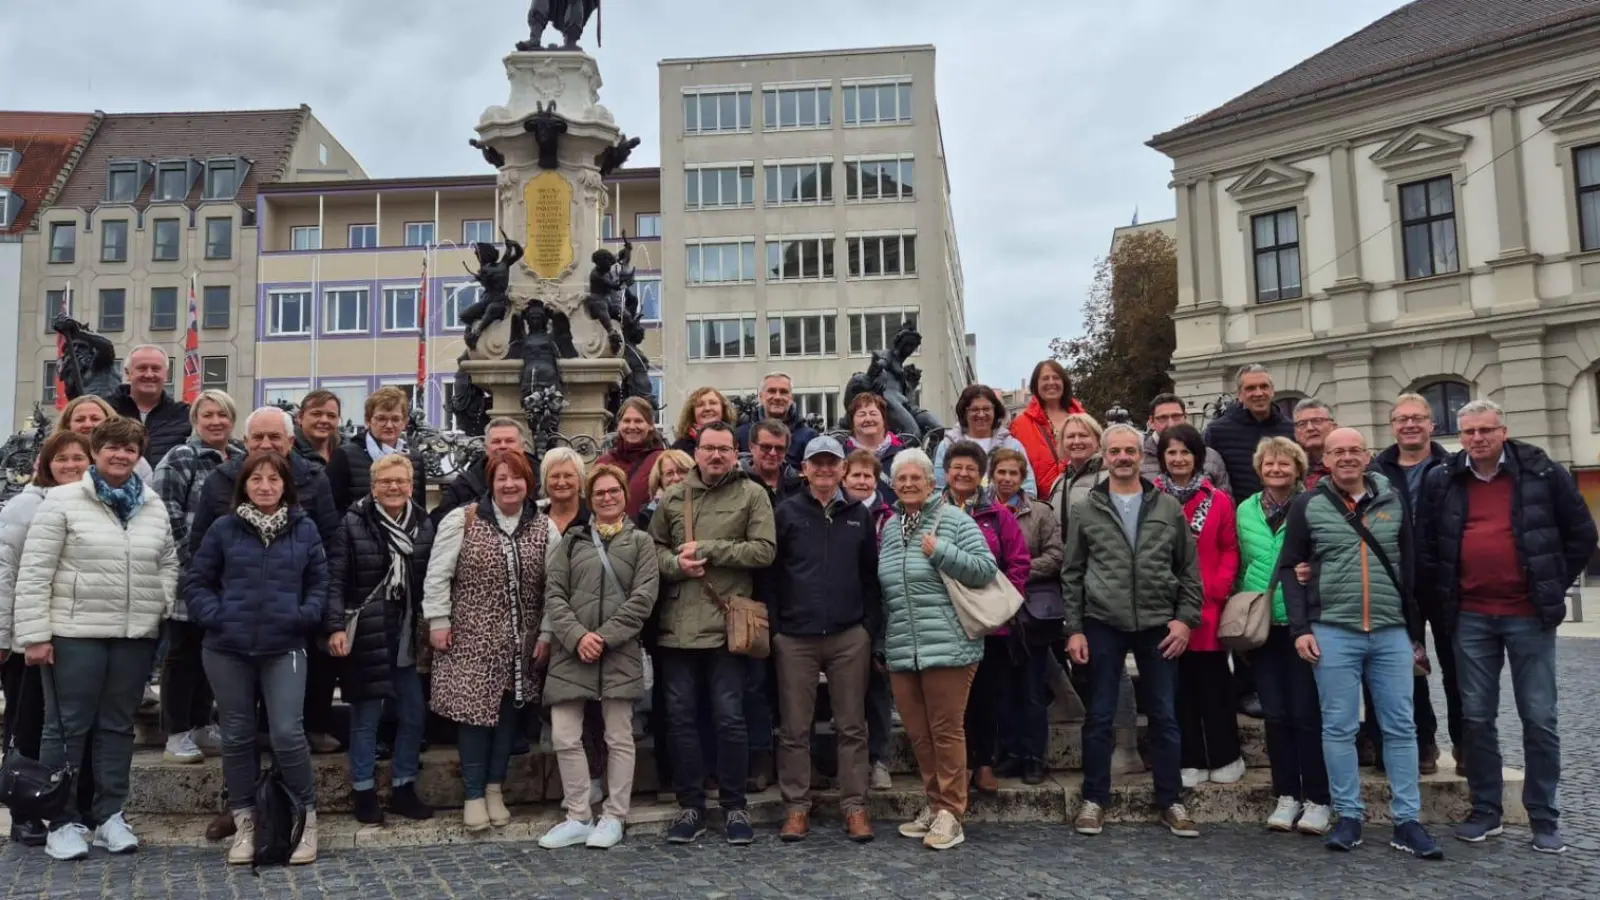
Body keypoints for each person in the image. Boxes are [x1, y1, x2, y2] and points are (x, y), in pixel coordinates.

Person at [1416, 400, 1597, 854]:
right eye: (1470, 431)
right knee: (1477, 719)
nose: (1477, 439)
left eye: (1486, 430)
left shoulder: (1541, 472)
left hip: (1528, 615)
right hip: (1471, 615)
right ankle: (1487, 810)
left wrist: (1550, 581)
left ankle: (1544, 816)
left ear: (1503, 431)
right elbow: (1430, 543)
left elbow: (1581, 534)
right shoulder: (1444, 478)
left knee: (1540, 717)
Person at [12, 418, 179, 861]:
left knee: (117, 727)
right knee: (66, 727)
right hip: (73, 633)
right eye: (112, 448)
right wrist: (34, 636)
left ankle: (109, 815)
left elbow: (168, 561)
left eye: (130, 449)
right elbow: (35, 570)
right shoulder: (63, 500)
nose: (121, 456)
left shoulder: (152, 503)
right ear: (97, 451)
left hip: (132, 634)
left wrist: (158, 602)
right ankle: (61, 820)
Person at [1276, 427, 1442, 859]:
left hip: (1389, 631)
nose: (1346, 457)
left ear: (1367, 456)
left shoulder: (1394, 500)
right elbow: (1289, 568)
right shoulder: (1308, 505)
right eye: (1338, 451)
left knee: (1401, 728)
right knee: (1339, 728)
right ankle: (1349, 815)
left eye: (1354, 450)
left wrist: (1412, 633)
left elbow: (1409, 574)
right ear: (1325, 461)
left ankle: (1408, 820)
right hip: (1333, 629)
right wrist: (1301, 629)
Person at [185, 450, 329, 866]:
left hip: (284, 646)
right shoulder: (223, 529)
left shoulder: (305, 530)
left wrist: (303, 616)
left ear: (286, 486)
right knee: (237, 736)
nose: (265, 486)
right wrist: (217, 616)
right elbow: (198, 581)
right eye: (256, 479)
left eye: (273, 479)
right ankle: (246, 823)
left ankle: (306, 821)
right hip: (227, 648)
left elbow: (319, 582)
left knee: (287, 732)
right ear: (243, 485)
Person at [1062, 423, 1203, 839]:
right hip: (1103, 622)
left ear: (1142, 456)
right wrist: (1075, 629)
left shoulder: (1167, 506)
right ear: (1104, 456)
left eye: (1130, 451)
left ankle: (1171, 800)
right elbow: (1072, 573)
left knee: (1164, 715)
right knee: (1100, 716)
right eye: (1115, 451)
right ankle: (1094, 799)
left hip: (1159, 622)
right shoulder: (1085, 507)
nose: (1123, 457)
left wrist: (1185, 618)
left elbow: (1188, 569)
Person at [647, 421, 776, 846]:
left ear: (736, 451)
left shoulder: (752, 494)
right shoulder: (673, 496)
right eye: (708, 448)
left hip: (727, 629)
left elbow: (764, 550)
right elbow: (654, 553)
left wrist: (708, 550)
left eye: (724, 448)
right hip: (677, 629)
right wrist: (676, 566)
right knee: (681, 722)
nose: (716, 455)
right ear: (696, 451)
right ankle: (691, 807)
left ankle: (735, 807)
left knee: (729, 719)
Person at [190, 406, 342, 753]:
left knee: (294, 706)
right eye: (258, 436)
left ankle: (305, 741)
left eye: (275, 436)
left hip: (294, 613)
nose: (266, 443)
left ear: (290, 440)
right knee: (241, 719)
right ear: (245, 441)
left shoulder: (314, 479)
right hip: (236, 616)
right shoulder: (221, 480)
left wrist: (311, 609)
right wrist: (216, 613)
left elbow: (331, 543)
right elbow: (199, 550)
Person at [424, 451, 553, 833]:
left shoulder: (545, 528)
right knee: (475, 717)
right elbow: (437, 574)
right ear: (490, 483)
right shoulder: (461, 520)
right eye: (501, 478)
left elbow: (554, 588)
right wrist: (438, 620)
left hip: (520, 639)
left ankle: (495, 789)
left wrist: (546, 632)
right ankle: (474, 794)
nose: (509, 485)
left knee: (508, 715)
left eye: (517, 478)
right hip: (470, 636)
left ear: (528, 483)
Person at [878, 448, 1000, 851]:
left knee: (946, 732)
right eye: (902, 479)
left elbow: (985, 568)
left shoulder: (954, 520)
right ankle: (934, 804)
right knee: (919, 733)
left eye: (917, 477)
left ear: (932, 483)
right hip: (903, 648)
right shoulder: (891, 528)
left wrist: (942, 552)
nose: (909, 484)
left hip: (949, 645)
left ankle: (952, 812)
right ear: (893, 484)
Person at [538, 464, 661, 850]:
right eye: (600, 493)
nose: (607, 498)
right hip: (572, 649)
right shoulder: (573, 541)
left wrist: (604, 637)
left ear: (625, 495)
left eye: (614, 491)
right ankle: (578, 813)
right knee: (564, 733)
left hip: (618, 648)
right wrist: (577, 636)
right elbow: (554, 594)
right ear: (590, 499)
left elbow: (644, 599)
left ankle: (615, 814)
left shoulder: (641, 542)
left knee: (618, 734)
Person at [766, 436, 881, 843]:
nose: (825, 470)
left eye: (832, 463)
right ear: (805, 468)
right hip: (796, 637)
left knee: (853, 725)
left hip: (849, 634)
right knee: (795, 728)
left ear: (842, 470)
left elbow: (871, 575)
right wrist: (777, 629)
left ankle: (855, 807)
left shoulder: (858, 514)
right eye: (818, 463)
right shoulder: (787, 512)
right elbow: (772, 575)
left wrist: (868, 626)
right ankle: (797, 807)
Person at [326, 454, 437, 825]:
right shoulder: (353, 523)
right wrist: (335, 627)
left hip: (406, 632)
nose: (393, 487)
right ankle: (363, 791)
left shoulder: (423, 523)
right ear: (373, 486)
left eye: (400, 481)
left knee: (413, 715)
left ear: (411, 485)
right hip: (369, 634)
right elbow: (336, 579)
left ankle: (404, 786)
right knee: (366, 718)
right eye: (385, 481)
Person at [0, 431, 94, 847]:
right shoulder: (26, 504)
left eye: (79, 457)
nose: (71, 465)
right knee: (29, 724)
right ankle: (23, 811)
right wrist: (5, 633)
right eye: (63, 458)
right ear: (46, 463)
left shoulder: (95, 503)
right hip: (30, 633)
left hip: (79, 630)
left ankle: (76, 805)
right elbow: (5, 571)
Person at [1237, 438, 1331, 835]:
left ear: (1298, 468)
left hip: (1301, 623)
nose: (1276, 470)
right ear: (1260, 469)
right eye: (1269, 464)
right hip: (1261, 625)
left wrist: (1314, 571)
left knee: (1306, 714)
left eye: (1284, 464)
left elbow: (1332, 552)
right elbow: (1239, 559)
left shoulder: (1314, 504)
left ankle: (1318, 798)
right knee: (1274, 714)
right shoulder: (1245, 509)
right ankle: (1286, 793)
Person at [151, 389, 246, 766]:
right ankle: (176, 731)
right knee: (182, 653)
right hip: (189, 575)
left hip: (230, 577)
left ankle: (203, 722)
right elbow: (167, 514)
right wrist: (193, 565)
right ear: (195, 420)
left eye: (222, 415)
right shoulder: (181, 457)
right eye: (208, 415)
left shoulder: (241, 458)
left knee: (214, 653)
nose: (216, 422)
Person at [1368, 392, 1456, 776]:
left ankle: (1467, 743)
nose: (1409, 424)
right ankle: (1423, 741)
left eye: (1417, 418)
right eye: (1402, 418)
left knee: (1458, 665)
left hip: (1447, 578)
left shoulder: (1453, 467)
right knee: (1406, 665)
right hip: (1396, 581)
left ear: (1431, 425)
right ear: (1393, 426)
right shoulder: (1376, 471)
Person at [1152, 424, 1244, 788]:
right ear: (1162, 458)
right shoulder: (1151, 498)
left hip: (1208, 608)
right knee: (1179, 692)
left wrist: (1217, 589)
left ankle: (1225, 756)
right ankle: (1189, 758)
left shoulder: (1218, 500)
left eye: (1185, 452)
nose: (1178, 459)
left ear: (1197, 457)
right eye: (1171, 452)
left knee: (1216, 688)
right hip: (1165, 608)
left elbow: (1230, 549)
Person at [942, 441, 1030, 796]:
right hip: (947, 620)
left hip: (990, 624)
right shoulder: (933, 511)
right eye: (957, 467)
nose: (963, 474)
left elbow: (1019, 562)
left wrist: (1002, 604)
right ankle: (958, 764)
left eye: (971, 469)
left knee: (988, 696)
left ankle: (984, 763)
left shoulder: (999, 515)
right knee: (953, 700)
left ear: (981, 476)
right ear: (945, 472)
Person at [988, 447, 1062, 785]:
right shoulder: (983, 510)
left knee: (1033, 690)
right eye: (1001, 472)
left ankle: (1034, 757)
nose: (1006, 479)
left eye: (1013, 473)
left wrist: (1017, 571)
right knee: (1001, 691)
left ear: (1022, 477)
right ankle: (1009, 752)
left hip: (1032, 612)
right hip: (994, 612)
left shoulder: (1041, 512)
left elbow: (1056, 554)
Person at [843, 448, 896, 790]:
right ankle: (850, 762)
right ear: (844, 478)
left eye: (868, 476)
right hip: (844, 608)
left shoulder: (889, 516)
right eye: (856, 475)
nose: (862, 481)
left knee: (878, 688)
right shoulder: (835, 512)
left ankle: (880, 760)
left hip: (882, 606)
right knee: (846, 694)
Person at [327, 387, 427, 515]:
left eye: (395, 419)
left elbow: (420, 511)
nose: (389, 425)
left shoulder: (415, 458)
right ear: (368, 421)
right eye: (381, 419)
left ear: (405, 422)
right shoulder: (344, 456)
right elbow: (332, 509)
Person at [1203, 364, 1295, 504]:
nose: (1258, 393)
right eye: (1250, 388)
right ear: (1240, 394)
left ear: (1272, 391)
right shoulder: (1217, 432)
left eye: (1264, 386)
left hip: (1285, 514)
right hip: (1237, 517)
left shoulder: (1291, 429)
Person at [432, 417, 539, 526]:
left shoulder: (541, 478)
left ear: (522, 446)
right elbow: (440, 521)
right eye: (496, 441)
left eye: (509, 441)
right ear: (486, 448)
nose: (503, 446)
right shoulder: (465, 484)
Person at [933, 384, 1037, 497]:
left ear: (995, 411)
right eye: (975, 409)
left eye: (986, 409)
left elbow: (1028, 490)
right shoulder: (947, 445)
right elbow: (939, 490)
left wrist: (1007, 512)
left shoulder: (1012, 446)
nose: (981, 414)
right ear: (964, 412)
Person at [1012, 360, 1086, 499]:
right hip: (1041, 506)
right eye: (1045, 378)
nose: (1051, 382)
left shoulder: (1083, 420)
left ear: (1064, 383)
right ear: (1036, 385)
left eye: (1056, 377)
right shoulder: (1020, 425)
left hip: (1082, 500)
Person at [107, 345, 191, 466]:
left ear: (166, 374)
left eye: (156, 369)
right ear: (128, 373)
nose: (149, 374)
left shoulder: (185, 415)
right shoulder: (106, 410)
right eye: (142, 368)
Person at [1139, 393, 1229, 494]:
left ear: (1185, 417)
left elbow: (1225, 500)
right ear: (1151, 422)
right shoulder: (1138, 458)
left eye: (1176, 416)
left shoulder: (1210, 457)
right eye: (1163, 418)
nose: (1170, 424)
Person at [54, 395, 154, 482]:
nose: (88, 424)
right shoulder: (51, 456)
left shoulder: (135, 462)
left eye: (95, 419)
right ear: (68, 425)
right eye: (80, 420)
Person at [595, 396, 665, 519]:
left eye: (638, 421)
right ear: (619, 425)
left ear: (650, 426)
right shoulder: (604, 463)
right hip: (610, 533)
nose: (632, 426)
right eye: (627, 421)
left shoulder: (662, 461)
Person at [735, 372, 820, 470]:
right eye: (772, 391)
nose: (777, 397)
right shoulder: (742, 435)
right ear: (761, 397)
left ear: (791, 398)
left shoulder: (809, 437)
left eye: (783, 392)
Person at [1048, 413, 1107, 520]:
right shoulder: (1058, 482)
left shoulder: (1111, 479)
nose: (1076, 441)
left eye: (1083, 435)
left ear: (1098, 440)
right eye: (1070, 436)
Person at [741, 418, 804, 504]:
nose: (772, 453)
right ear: (751, 447)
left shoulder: (798, 484)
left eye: (779, 448)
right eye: (766, 447)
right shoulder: (737, 480)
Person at [845, 392, 906, 474]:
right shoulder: (842, 455)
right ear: (852, 421)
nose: (868, 419)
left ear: (883, 419)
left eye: (873, 414)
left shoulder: (902, 453)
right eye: (862, 414)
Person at [671, 386, 736, 455]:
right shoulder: (679, 450)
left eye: (713, 403)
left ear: (723, 409)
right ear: (692, 413)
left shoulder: (734, 441)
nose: (707, 408)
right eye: (700, 405)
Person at [638, 449, 692, 531]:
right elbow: (646, 523)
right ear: (660, 480)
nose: (676, 478)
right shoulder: (651, 508)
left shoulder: (705, 501)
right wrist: (658, 501)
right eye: (669, 473)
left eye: (682, 471)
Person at [294, 389, 344, 469]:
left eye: (331, 415)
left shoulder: (348, 451)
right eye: (316, 414)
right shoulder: (287, 452)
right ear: (300, 417)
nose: (324, 420)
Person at [1293, 399, 1337, 488]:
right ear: (1296, 434)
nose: (1310, 428)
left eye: (1317, 421)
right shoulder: (1291, 468)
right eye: (1302, 424)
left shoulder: (1350, 461)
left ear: (1334, 427)